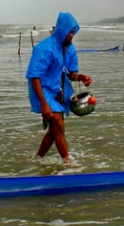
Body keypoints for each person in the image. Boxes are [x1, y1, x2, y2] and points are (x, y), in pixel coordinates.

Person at [26, 12, 92, 165]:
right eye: (69, 32)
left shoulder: (69, 49)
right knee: (58, 124)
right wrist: (43, 103)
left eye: (73, 32)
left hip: (58, 91)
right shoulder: (44, 48)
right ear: (61, 30)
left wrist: (81, 77)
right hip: (41, 90)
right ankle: (67, 162)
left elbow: (71, 73)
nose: (71, 36)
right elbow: (34, 76)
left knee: (54, 129)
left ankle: (37, 158)